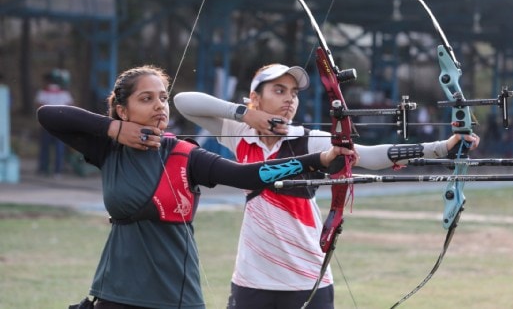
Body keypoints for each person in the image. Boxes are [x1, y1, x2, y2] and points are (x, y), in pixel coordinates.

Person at [37, 65, 352, 309]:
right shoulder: (109, 151)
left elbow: (248, 177)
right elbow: (49, 116)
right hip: (115, 291)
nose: (161, 105)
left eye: (162, 97)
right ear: (123, 109)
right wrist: (114, 129)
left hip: (178, 296)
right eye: (146, 99)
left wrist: (319, 159)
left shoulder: (184, 155)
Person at [173, 63, 480, 309]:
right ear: (256, 98)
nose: (289, 99)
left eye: (293, 93)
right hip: (252, 279)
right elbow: (183, 102)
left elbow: (371, 156)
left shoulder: (309, 140)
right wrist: (244, 114)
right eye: (278, 90)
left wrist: (441, 147)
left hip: (308, 278)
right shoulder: (240, 132)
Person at [35, 71, 74, 177]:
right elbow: (70, 107)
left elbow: (39, 106)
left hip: (46, 124)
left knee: (45, 147)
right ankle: (58, 171)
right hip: (61, 125)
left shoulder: (43, 92)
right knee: (59, 149)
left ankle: (43, 169)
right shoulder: (64, 93)